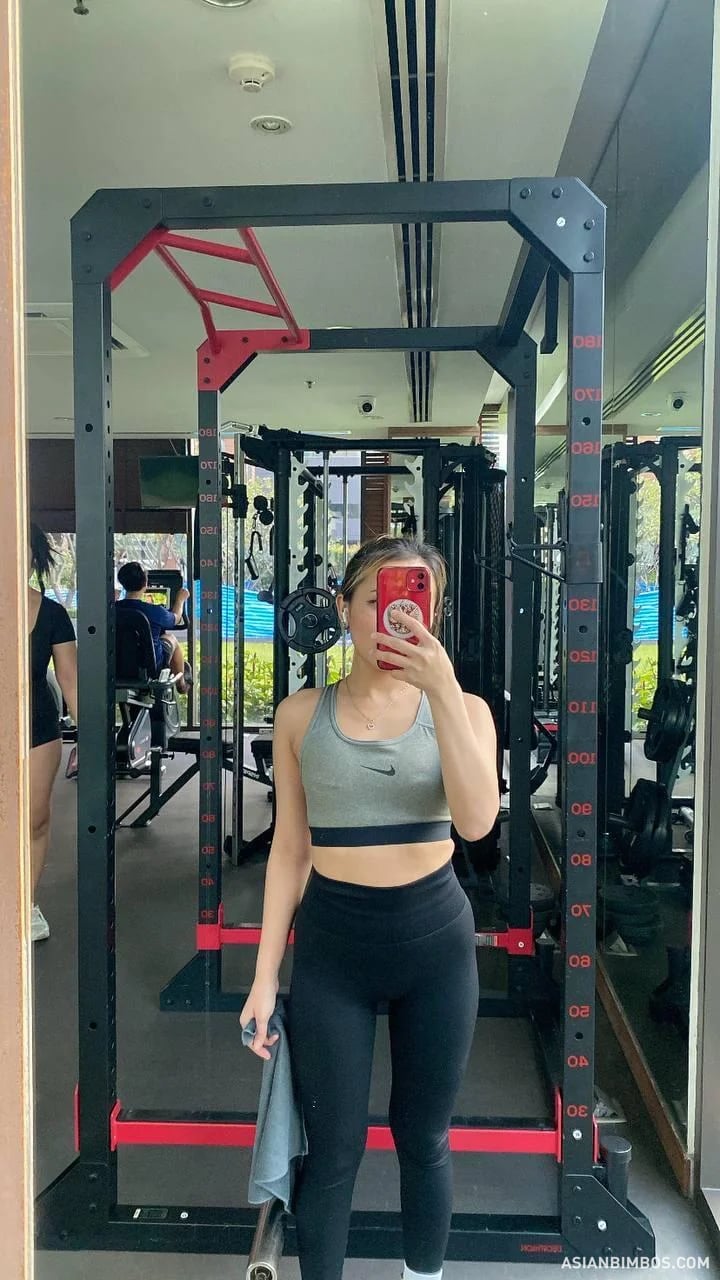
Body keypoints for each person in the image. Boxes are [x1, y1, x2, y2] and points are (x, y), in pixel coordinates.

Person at [240, 534, 500, 1280]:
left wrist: (443, 689)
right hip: (335, 947)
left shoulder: (467, 710)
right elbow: (290, 851)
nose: (400, 618)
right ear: (347, 608)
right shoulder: (300, 715)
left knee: (424, 1138)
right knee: (333, 1151)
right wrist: (264, 977)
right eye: (382, 600)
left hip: (435, 945)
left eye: (420, 602)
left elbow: (478, 824)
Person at [29, 524, 78, 943]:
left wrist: (92, 739)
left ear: (32, 556)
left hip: (37, 726)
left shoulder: (52, 614)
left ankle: (26, 905)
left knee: (35, 819)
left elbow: (70, 680)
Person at [115, 562, 190, 693]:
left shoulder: (113, 609)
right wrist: (180, 600)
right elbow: (176, 618)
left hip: (118, 665)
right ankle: (182, 684)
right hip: (149, 666)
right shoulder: (154, 611)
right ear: (145, 583)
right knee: (171, 638)